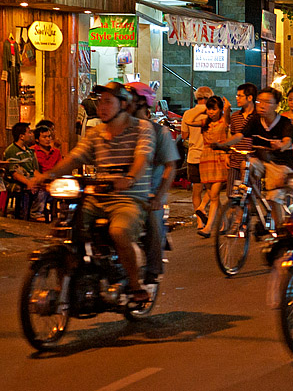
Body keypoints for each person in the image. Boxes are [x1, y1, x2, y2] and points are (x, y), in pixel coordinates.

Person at [32, 82, 154, 304]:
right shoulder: (96, 133)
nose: (102, 106)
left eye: (108, 101)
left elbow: (142, 159)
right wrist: (47, 176)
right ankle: (70, 282)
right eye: (100, 102)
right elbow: (75, 158)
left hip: (129, 197)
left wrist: (128, 179)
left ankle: (136, 286)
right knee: (66, 229)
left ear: (124, 104)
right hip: (96, 196)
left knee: (119, 231)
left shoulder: (141, 129)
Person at [125, 82, 179, 284]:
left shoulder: (159, 133)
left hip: (149, 193)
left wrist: (158, 196)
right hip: (122, 192)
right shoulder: (118, 130)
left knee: (153, 220)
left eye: (128, 100)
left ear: (142, 103)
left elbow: (170, 167)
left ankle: (152, 270)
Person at [216, 87, 293, 209]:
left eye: (267, 102)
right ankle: (252, 201)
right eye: (259, 101)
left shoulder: (285, 122)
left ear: (276, 105)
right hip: (261, 163)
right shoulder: (255, 120)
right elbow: (239, 135)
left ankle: (277, 226)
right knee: (246, 164)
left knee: (273, 198)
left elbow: (287, 141)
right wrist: (223, 144)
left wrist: (281, 145)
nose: (262, 105)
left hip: (280, 165)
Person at [187, 96, 230, 238]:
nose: (211, 112)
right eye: (209, 109)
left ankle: (208, 227)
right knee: (212, 195)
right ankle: (223, 223)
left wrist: (226, 109)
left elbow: (228, 116)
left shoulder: (224, 122)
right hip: (205, 159)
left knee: (215, 194)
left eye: (214, 109)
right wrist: (201, 109)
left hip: (219, 158)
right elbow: (188, 120)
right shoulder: (205, 122)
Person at [181, 86, 213, 227]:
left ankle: (200, 222)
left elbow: (184, 136)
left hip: (194, 156)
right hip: (209, 156)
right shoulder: (213, 113)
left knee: (196, 190)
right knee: (212, 190)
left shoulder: (188, 114)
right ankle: (211, 219)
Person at [4, 122, 41, 220]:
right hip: (15, 181)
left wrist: (41, 179)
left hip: (29, 178)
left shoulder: (29, 151)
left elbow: (33, 170)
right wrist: (29, 183)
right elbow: (15, 174)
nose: (31, 135)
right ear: (21, 136)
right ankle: (28, 215)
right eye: (29, 132)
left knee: (45, 188)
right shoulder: (12, 151)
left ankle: (36, 212)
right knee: (29, 189)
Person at [226, 83, 257, 196]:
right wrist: (228, 153)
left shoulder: (258, 117)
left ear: (250, 97)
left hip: (252, 163)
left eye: (240, 96)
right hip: (235, 161)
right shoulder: (235, 116)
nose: (237, 98)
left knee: (249, 197)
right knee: (232, 195)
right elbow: (232, 136)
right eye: (237, 96)